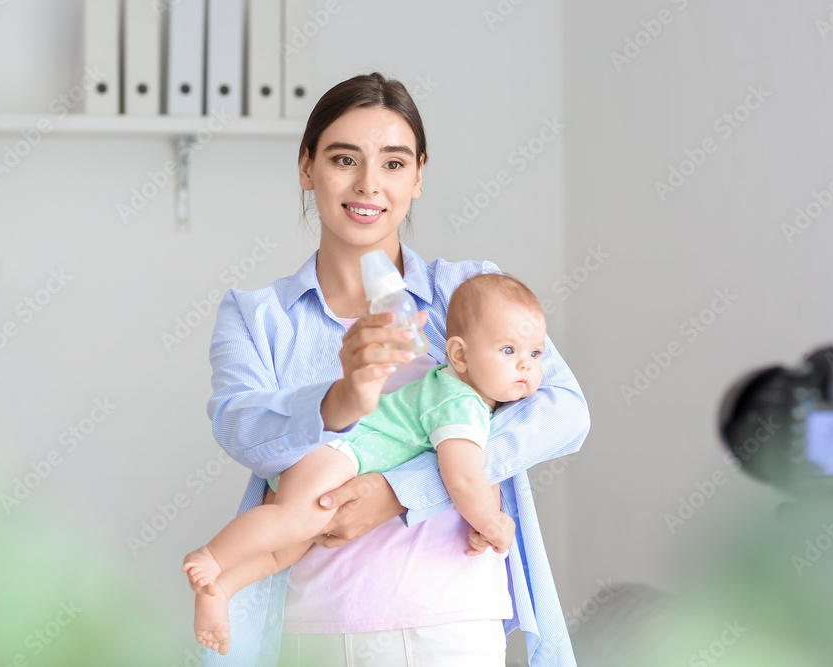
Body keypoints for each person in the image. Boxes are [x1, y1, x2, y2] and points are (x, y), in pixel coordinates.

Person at [199, 72, 590, 667]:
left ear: (419, 176)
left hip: (454, 624)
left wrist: (402, 491)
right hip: (317, 630)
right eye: (344, 159)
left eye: (393, 163)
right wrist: (341, 399)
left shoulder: (468, 293)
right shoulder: (260, 317)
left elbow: (563, 412)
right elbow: (240, 428)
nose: (367, 185)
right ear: (307, 167)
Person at [184, 272, 547, 656]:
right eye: (508, 351)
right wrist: (491, 523)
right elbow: (462, 478)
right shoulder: (462, 403)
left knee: (286, 549)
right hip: (343, 452)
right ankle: (211, 556)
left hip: (345, 461)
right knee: (292, 520)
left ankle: (220, 588)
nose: (524, 365)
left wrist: (481, 521)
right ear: (459, 355)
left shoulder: (460, 392)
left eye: (535, 354)